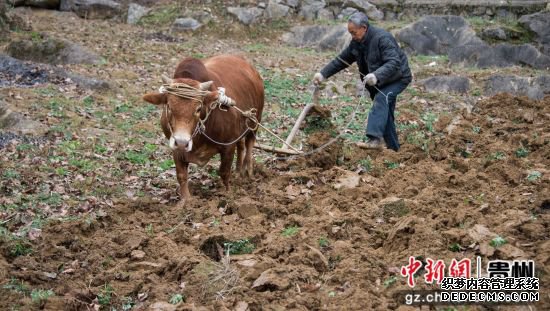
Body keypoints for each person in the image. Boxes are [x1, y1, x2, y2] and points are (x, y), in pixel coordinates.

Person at [313, 12, 412, 151]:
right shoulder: (356, 43)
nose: (352, 36)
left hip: (398, 77)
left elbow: (394, 62)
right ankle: (394, 150)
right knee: (385, 114)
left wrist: (376, 75)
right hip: (378, 81)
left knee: (381, 99)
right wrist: (323, 74)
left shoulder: (382, 38)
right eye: (350, 33)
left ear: (364, 28)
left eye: (354, 33)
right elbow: (341, 61)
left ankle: (374, 139)